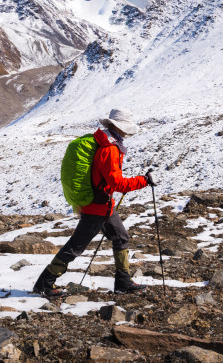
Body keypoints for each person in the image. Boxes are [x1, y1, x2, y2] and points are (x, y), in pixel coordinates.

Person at [33, 108, 155, 297]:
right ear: (120, 127)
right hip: (97, 207)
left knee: (121, 237)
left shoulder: (104, 142)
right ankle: (45, 283)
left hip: (102, 205)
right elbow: (118, 183)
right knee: (76, 246)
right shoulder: (109, 149)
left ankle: (123, 281)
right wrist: (143, 181)